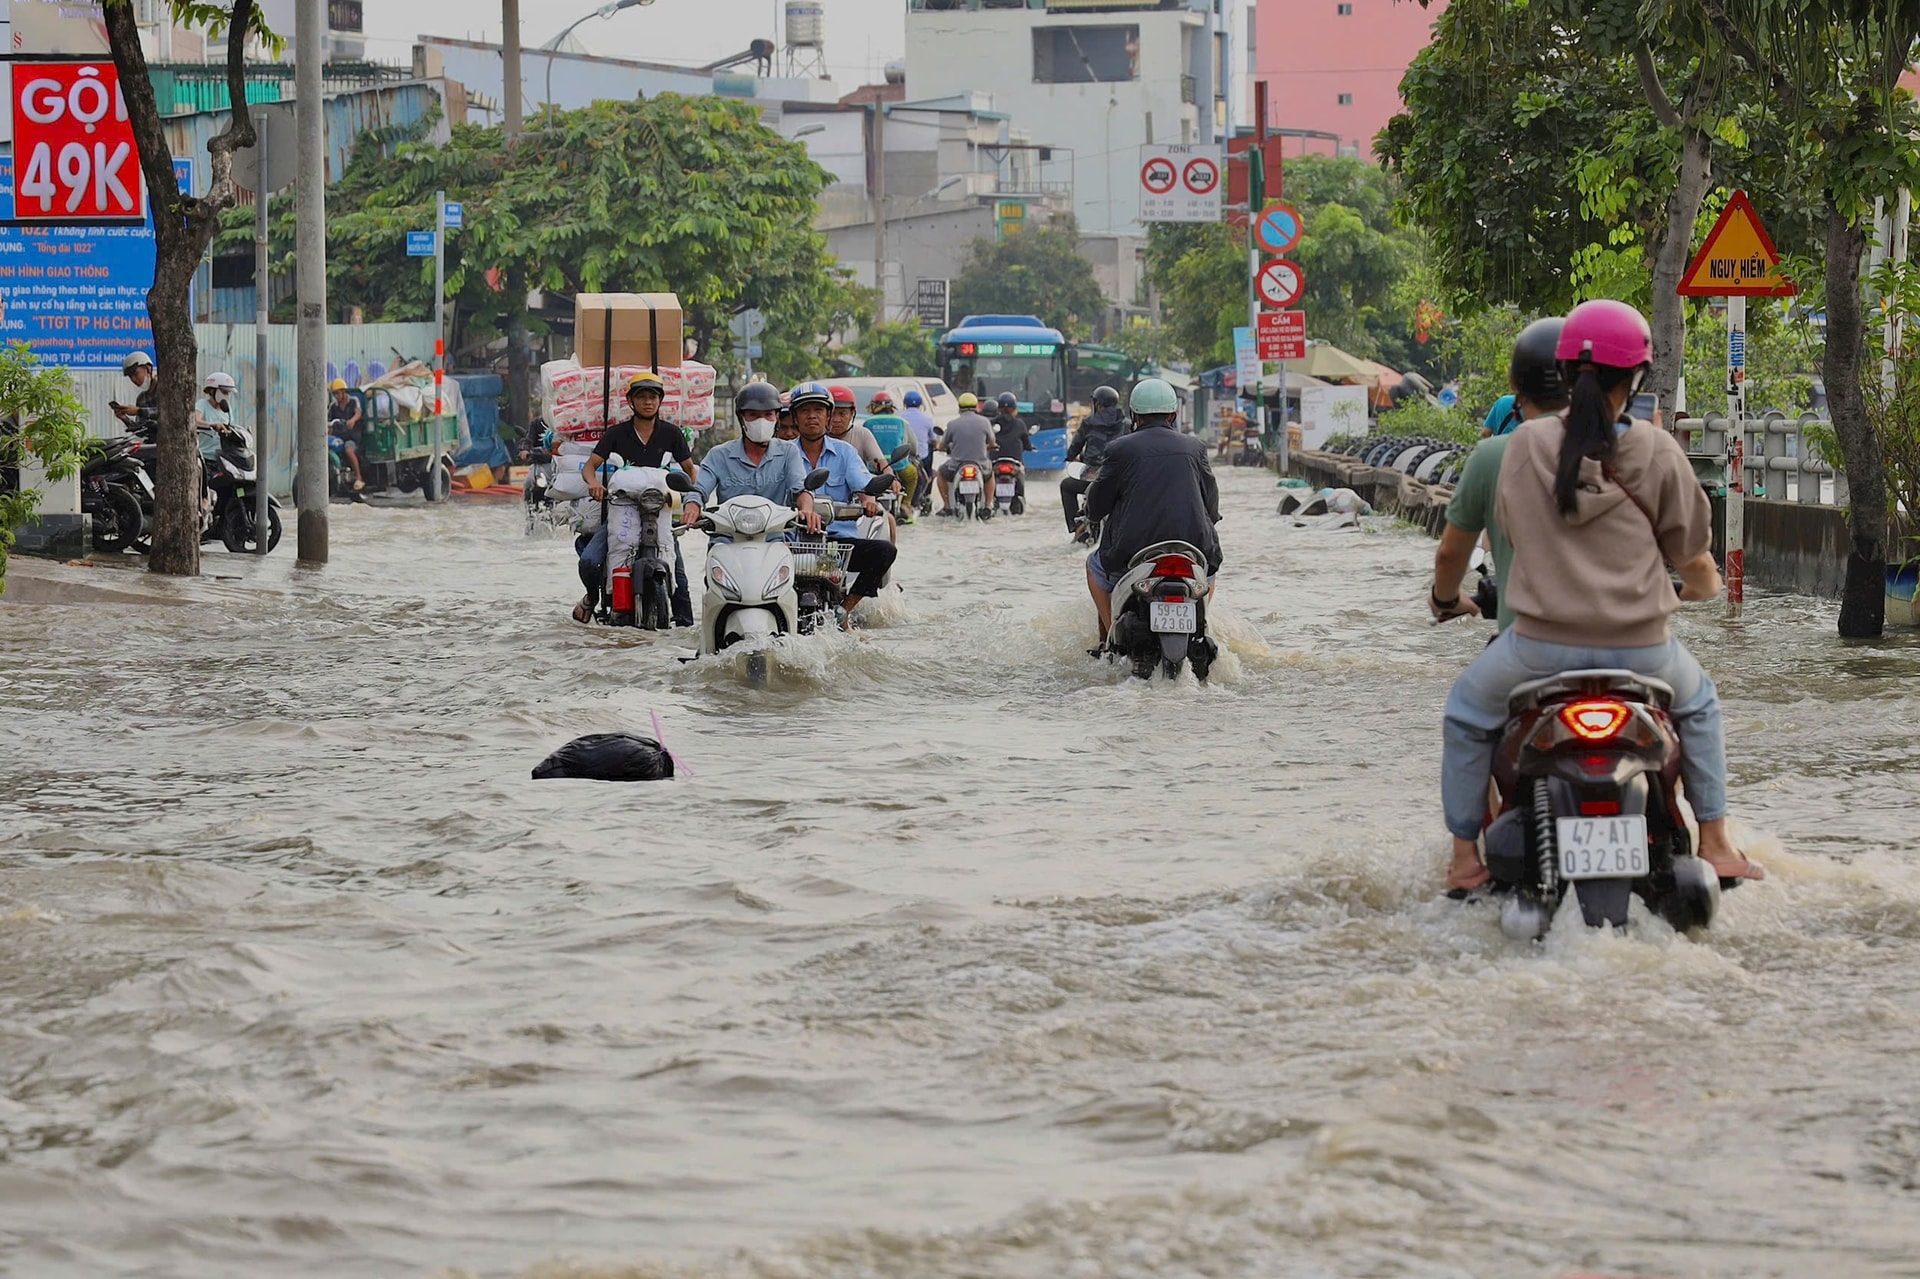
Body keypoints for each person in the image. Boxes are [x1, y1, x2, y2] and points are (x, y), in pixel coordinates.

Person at [1433, 299, 1763, 893]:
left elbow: (1501, 533)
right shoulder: (1659, 450)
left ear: (1561, 373)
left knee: (1466, 713)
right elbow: (1693, 556)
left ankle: (1463, 860)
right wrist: (1696, 588)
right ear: (1635, 377)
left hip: (1534, 650)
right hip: (1643, 653)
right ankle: (1715, 843)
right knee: (1701, 706)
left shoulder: (1522, 447)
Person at [1431, 318, 1566, 635]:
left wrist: (1446, 600)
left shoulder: (1491, 454)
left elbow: (1450, 555)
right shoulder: (1634, 445)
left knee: (1463, 688)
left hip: (1526, 645)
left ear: (1514, 382)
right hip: (1623, 651)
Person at [1083, 378, 1222, 650]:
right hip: (1194, 546)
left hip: (1131, 551)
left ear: (1134, 415)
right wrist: (1212, 519)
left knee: (1094, 566)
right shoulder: (1195, 448)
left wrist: (1091, 511)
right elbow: (1211, 500)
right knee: (1209, 572)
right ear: (1173, 414)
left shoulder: (1119, 449)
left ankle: (1112, 633)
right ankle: (1201, 620)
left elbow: (1097, 506)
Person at [584, 372, 698, 627]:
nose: (648, 402)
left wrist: (690, 494)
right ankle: (592, 597)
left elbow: (691, 470)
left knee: (679, 576)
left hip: (659, 514)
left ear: (660, 401)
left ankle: (685, 628)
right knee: (590, 561)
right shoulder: (616, 433)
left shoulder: (671, 433)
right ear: (631, 402)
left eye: (653, 397)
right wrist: (594, 485)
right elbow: (589, 467)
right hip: (622, 512)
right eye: (642, 397)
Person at [789, 380, 897, 626]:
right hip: (792, 545)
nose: (812, 416)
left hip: (834, 549)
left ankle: (844, 611)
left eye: (818, 410)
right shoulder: (783, 453)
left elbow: (862, 483)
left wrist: (869, 500)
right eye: (805, 411)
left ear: (827, 415)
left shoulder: (846, 452)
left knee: (884, 551)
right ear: (795, 417)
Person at [682, 381, 822, 534]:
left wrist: (807, 510)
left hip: (773, 540)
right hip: (727, 541)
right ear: (742, 418)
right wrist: (692, 506)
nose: (761, 421)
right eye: (753, 415)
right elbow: (699, 489)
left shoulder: (789, 452)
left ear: (776, 417)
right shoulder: (719, 455)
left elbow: (800, 488)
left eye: (768, 415)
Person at [1061, 384, 1127, 535]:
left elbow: (1076, 445)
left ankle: (1075, 527)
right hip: (1119, 477)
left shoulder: (1089, 422)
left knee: (1066, 486)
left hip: (1092, 475)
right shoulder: (1126, 423)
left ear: (1097, 404)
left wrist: (1071, 457)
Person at [936, 391, 996, 514]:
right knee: (990, 474)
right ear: (976, 407)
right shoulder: (985, 422)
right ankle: (988, 505)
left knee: (940, 472)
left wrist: (940, 448)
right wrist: (990, 446)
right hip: (981, 465)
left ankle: (947, 506)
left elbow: (942, 446)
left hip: (956, 466)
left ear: (959, 407)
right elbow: (992, 442)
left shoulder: (952, 424)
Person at [863, 394, 916, 523]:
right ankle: (906, 504)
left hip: (874, 467)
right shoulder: (901, 422)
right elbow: (913, 446)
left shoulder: (867, 423)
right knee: (913, 475)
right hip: (899, 464)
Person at [827, 384, 891, 474]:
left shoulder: (862, 434)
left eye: (842, 414)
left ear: (852, 413)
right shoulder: (816, 437)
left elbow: (880, 462)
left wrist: (890, 477)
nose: (837, 420)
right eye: (832, 414)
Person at [989, 391, 1031, 511]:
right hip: (1015, 463)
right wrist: (1029, 447)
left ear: (999, 408)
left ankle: (988, 502)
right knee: (1022, 473)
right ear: (1015, 408)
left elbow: (986, 439)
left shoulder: (991, 423)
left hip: (995, 462)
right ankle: (1020, 496)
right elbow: (1026, 442)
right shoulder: (1019, 424)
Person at [900, 389, 938, 513]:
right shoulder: (927, 419)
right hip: (920, 457)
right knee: (929, 471)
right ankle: (924, 496)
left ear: (905, 404)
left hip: (901, 457)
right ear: (920, 405)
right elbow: (934, 440)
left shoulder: (899, 416)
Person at [327, 378, 367, 492]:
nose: (336, 396)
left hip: (353, 436)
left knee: (348, 449)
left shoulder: (354, 400)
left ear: (344, 392)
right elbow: (328, 420)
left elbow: (358, 412)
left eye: (338, 393)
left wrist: (353, 420)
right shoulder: (333, 406)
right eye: (334, 394)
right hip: (339, 435)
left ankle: (359, 477)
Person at [112, 352, 157, 428]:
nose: (133, 379)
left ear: (148, 369)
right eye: (130, 376)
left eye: (136, 374)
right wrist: (124, 418)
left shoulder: (165, 389)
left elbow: (167, 412)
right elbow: (141, 430)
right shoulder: (141, 399)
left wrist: (139, 411)